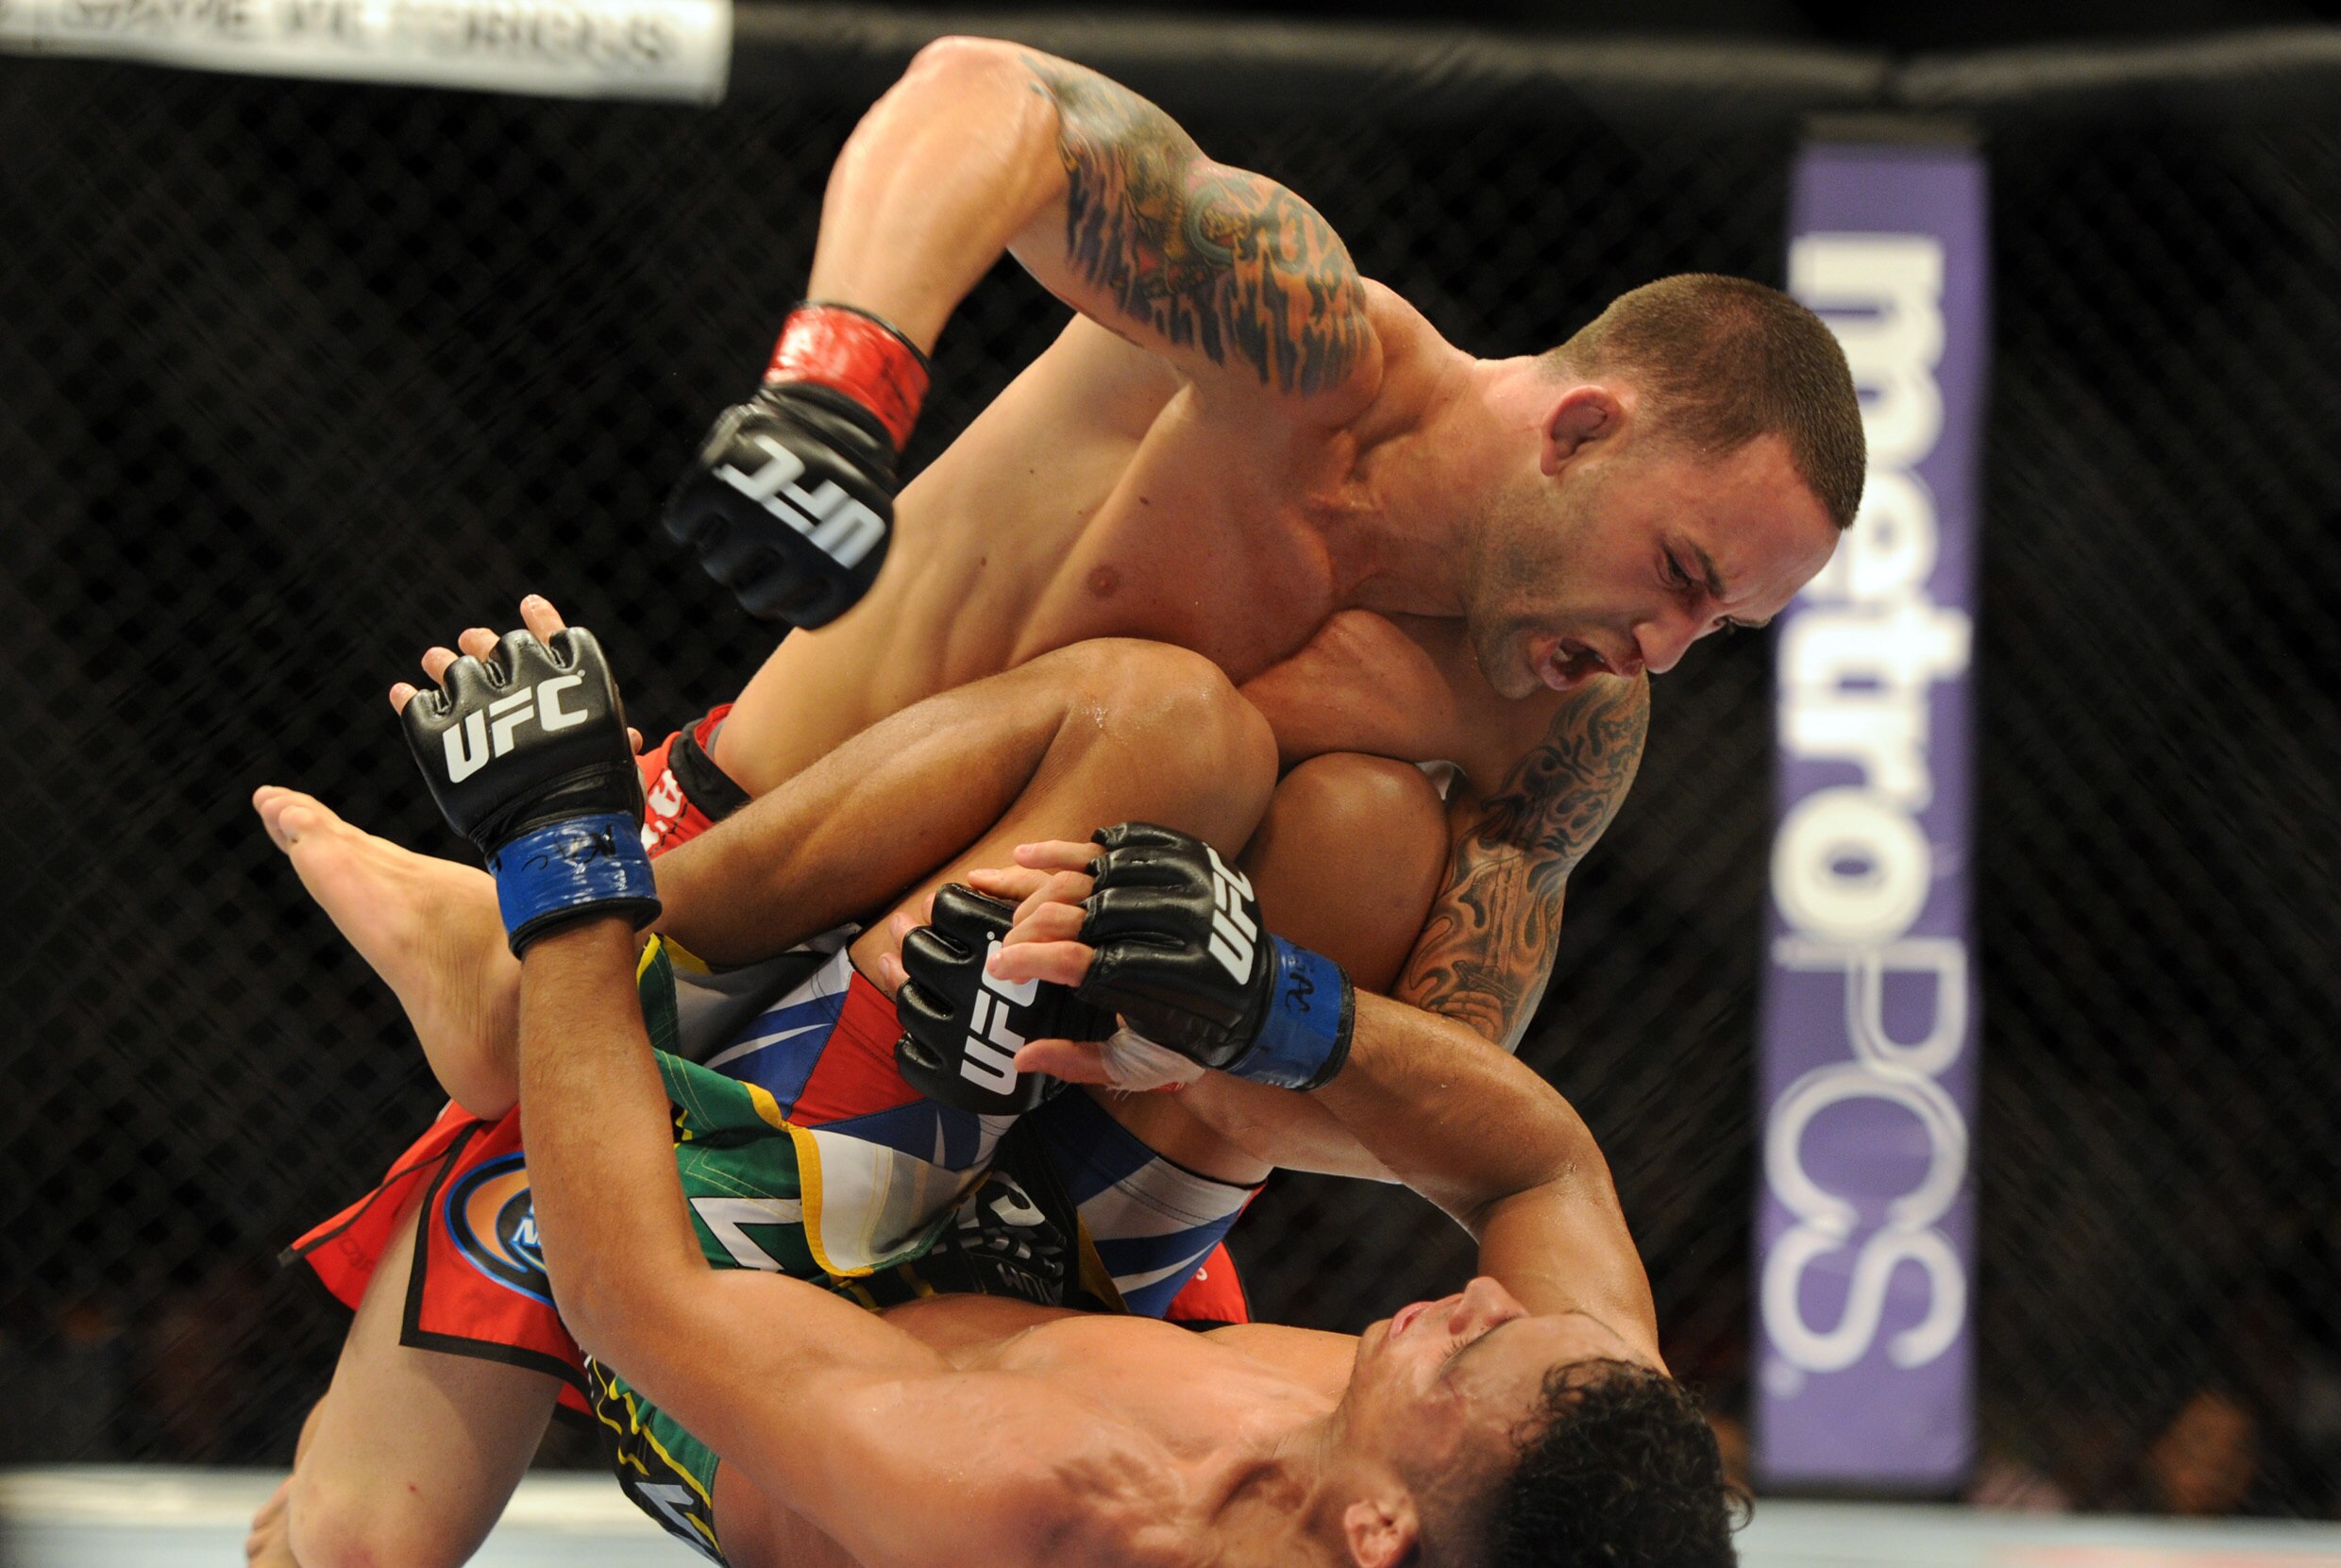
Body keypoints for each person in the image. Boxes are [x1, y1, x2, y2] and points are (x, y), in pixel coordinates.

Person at [252, 605, 1737, 1568]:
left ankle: (531, 996)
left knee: (365, 1522)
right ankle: (670, 979)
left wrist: (563, 859)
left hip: (737, 1325)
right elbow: (1543, 1171)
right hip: (1041, 1274)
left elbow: (640, 1298)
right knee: (1344, 821)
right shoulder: (1586, 1447)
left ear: (1376, 1526)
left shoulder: (1046, 1508)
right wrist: (1269, 1009)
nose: (1479, 1307)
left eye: (1465, 1360)